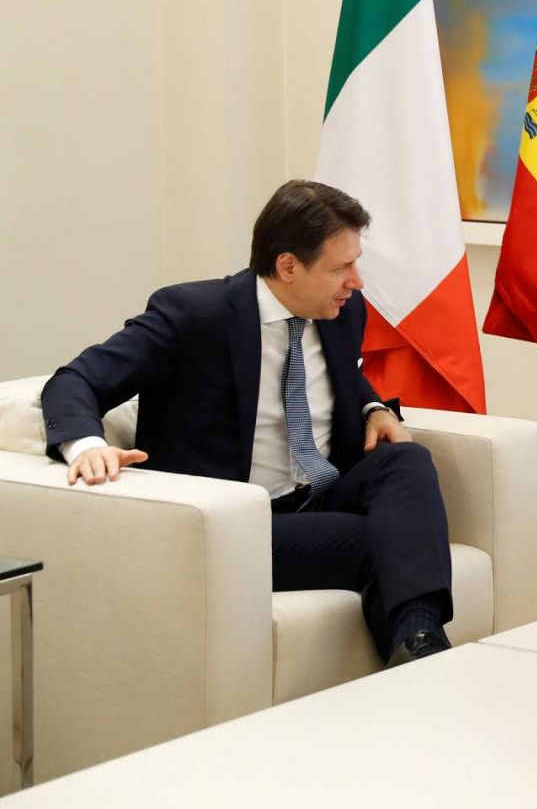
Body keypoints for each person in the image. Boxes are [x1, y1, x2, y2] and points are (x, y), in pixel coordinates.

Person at [43, 180, 454, 667]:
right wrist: (88, 445)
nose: (357, 281)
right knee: (385, 539)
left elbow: (343, 379)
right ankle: (423, 658)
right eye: (342, 267)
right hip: (239, 520)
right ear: (287, 266)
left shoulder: (342, 312)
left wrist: (373, 408)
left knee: (407, 461)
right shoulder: (193, 315)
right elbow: (73, 381)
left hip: (317, 493)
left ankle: (419, 647)